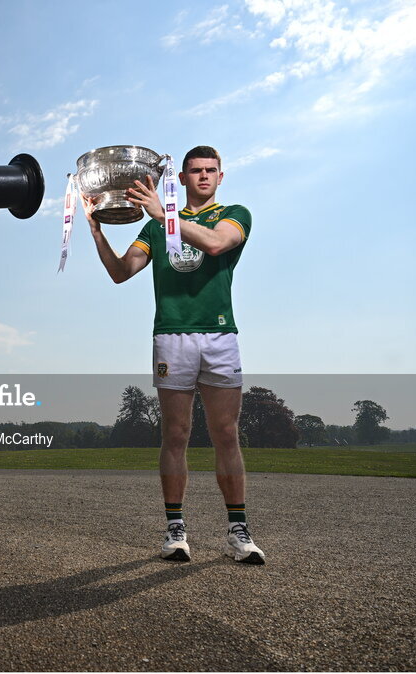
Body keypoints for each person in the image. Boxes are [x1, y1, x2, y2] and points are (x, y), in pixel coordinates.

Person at [84, 145, 265, 565]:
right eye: (195, 171)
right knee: (176, 434)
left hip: (219, 335)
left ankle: (238, 531)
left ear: (221, 177)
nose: (203, 176)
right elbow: (120, 272)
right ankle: (175, 530)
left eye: (210, 171)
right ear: (180, 179)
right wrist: (97, 232)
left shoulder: (234, 214)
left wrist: (164, 216)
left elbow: (218, 244)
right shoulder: (153, 229)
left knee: (226, 433)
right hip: (172, 336)